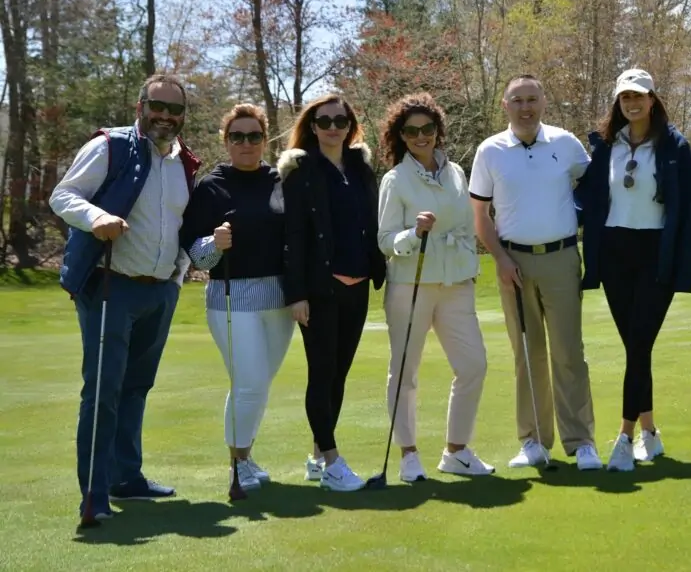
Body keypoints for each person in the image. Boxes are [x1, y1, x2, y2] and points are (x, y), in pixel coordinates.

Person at [50, 74, 201, 520]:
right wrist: (96, 217)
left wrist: (178, 278)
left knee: (136, 387)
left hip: (161, 291)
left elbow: (181, 227)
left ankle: (126, 478)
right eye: (158, 106)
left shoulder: (184, 163)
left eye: (175, 109)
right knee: (104, 391)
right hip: (110, 285)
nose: (166, 116)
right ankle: (94, 496)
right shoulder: (110, 146)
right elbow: (63, 195)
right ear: (140, 107)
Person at [469, 74, 602, 471]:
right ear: (505, 105)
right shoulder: (490, 150)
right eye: (517, 100)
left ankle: (581, 442)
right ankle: (533, 441)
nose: (525, 107)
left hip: (562, 257)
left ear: (543, 102)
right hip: (514, 262)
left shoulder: (566, 143)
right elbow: (480, 215)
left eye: (532, 99)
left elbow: (596, 189)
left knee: (569, 353)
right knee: (527, 354)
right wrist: (500, 258)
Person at [575, 68, 691, 472]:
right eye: (625, 97)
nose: (633, 103)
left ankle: (625, 438)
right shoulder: (605, 146)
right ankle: (650, 432)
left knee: (639, 344)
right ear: (619, 102)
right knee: (636, 347)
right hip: (614, 253)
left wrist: (687, 264)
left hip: (655, 253)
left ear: (652, 100)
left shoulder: (674, 145)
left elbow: (688, 209)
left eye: (639, 96)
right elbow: (588, 199)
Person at [377, 92, 495, 482]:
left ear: (437, 129)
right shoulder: (395, 180)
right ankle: (408, 454)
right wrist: (414, 233)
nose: (420, 136)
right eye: (411, 131)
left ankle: (456, 451)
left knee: (473, 365)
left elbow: (465, 225)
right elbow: (386, 240)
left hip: (456, 283)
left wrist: (468, 265)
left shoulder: (457, 172)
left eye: (427, 128)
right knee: (405, 371)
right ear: (401, 136)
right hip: (411, 283)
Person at [179, 103, 294, 491]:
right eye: (238, 136)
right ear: (226, 141)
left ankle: (245, 455)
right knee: (250, 384)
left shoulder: (280, 181)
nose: (247, 143)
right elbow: (197, 256)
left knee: (258, 384)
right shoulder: (212, 187)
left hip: (279, 299)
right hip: (232, 298)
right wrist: (215, 243)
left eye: (254, 136)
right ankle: (238, 463)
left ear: (265, 138)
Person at [277, 94, 387, 491]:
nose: (333, 128)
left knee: (338, 375)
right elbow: (292, 236)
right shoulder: (300, 171)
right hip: (320, 289)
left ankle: (316, 456)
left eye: (341, 121)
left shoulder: (360, 168)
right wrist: (296, 294)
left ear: (350, 125)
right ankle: (332, 460)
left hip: (358, 286)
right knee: (322, 374)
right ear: (313, 126)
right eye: (324, 121)